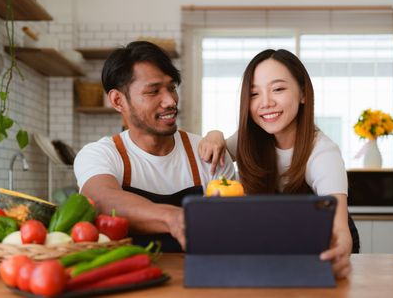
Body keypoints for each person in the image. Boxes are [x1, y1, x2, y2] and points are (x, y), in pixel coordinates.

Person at [198, 49, 358, 279]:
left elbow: (338, 226)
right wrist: (214, 134)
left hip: (317, 247)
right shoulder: (250, 140)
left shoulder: (323, 152)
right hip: (273, 248)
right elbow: (219, 145)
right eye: (254, 94)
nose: (266, 103)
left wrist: (341, 249)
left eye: (278, 89)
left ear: (303, 93)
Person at [74, 41, 235, 252]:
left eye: (171, 88)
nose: (170, 101)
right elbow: (100, 199)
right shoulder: (101, 154)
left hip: (198, 278)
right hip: (129, 278)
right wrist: (172, 217)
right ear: (117, 100)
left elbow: (230, 226)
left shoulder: (207, 154)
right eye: (153, 91)